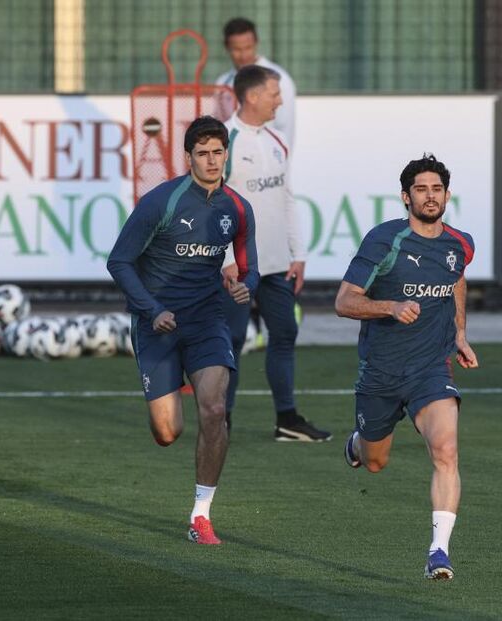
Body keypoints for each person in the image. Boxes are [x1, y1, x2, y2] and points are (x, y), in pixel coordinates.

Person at [107, 116, 259, 545]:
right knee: (167, 432)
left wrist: (244, 286)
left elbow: (251, 269)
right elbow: (118, 262)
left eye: (218, 152)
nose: (212, 161)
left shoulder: (237, 208)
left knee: (214, 410)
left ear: (226, 154)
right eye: (203, 154)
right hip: (157, 323)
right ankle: (162, 399)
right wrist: (151, 309)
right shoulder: (162, 202)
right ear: (188, 157)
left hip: (208, 318)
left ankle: (201, 514)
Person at [335, 154, 478, 580]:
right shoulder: (384, 241)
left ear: (447, 195)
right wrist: (390, 307)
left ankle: (439, 551)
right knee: (375, 461)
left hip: (431, 369)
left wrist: (459, 333)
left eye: (437, 189)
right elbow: (343, 302)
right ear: (405, 196)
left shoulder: (459, 243)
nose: (430, 196)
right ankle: (358, 442)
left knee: (446, 451)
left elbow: (456, 279)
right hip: (380, 371)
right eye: (421, 189)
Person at [221, 64, 330, 442]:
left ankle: (287, 420)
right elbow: (211, 207)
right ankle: (221, 420)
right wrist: (224, 262)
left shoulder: (277, 140)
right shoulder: (226, 142)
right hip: (236, 268)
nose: (280, 100)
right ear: (252, 96)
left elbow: (286, 198)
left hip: (276, 265)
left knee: (284, 333)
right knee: (231, 340)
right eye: (274, 93)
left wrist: (297, 254)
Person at [215, 17, 297, 148]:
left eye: (248, 48)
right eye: (236, 49)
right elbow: (219, 127)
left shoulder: (279, 79)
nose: (243, 55)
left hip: (267, 160)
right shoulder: (222, 83)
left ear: (256, 43)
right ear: (227, 47)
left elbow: (285, 128)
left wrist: (280, 164)